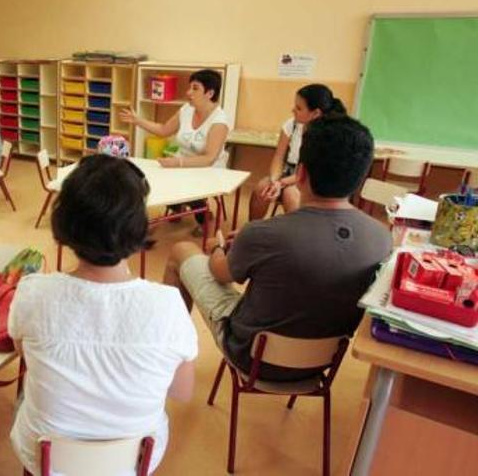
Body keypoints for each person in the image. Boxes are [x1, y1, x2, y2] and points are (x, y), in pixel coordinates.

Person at [165, 115, 392, 382]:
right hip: (322, 363)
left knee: (181, 250)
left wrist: (218, 246)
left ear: (301, 173)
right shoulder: (382, 238)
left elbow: (220, 274)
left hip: (251, 355)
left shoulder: (264, 232)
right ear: (361, 178)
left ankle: (168, 358)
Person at [8, 154, 198, 474]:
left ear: (64, 223)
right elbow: (182, 392)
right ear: (138, 226)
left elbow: (21, 351)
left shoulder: (33, 292)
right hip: (132, 459)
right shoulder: (168, 305)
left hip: (45, 458)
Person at [120, 69, 232, 234]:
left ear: (209, 93)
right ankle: (176, 207)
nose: (188, 93)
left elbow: (208, 158)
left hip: (208, 168)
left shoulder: (219, 121)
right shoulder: (187, 109)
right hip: (181, 162)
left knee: (190, 184)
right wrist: (137, 120)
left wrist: (178, 163)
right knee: (155, 177)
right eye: (189, 87)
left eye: (195, 88)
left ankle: (202, 218)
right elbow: (164, 130)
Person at [248, 84, 348, 220]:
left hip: (311, 179)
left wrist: (281, 183)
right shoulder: (292, 124)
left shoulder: (327, 134)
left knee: (291, 195)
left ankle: (297, 237)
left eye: (299, 108)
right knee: (262, 189)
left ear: (315, 113)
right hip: (289, 173)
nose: (293, 110)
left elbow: (309, 171)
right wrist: (274, 180)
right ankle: (253, 231)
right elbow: (278, 157)